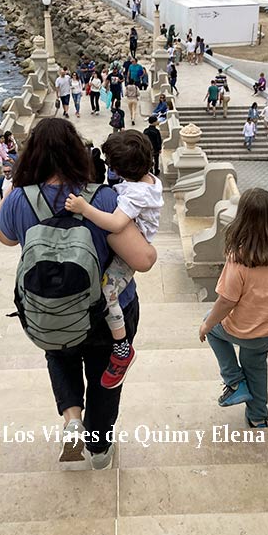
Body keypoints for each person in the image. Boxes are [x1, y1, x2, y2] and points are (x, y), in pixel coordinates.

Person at [0, 118, 156, 469]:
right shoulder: (102, 198)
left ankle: (72, 420)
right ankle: (99, 449)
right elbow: (143, 260)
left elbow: (1, 234)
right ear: (77, 151)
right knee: (104, 377)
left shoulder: (20, 199)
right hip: (104, 314)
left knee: (60, 355)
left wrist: (15, 186)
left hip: (50, 308)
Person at [198, 188, 268, 428]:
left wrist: (206, 325)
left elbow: (226, 302)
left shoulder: (240, 258)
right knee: (255, 362)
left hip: (245, 330)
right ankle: (258, 416)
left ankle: (234, 381)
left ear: (242, 219)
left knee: (211, 327)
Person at [65, 131, 162, 389]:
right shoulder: (148, 181)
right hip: (137, 243)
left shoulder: (136, 194)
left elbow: (117, 224)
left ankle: (122, 348)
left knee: (108, 292)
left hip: (129, 254)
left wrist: (85, 208)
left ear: (120, 169)